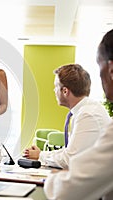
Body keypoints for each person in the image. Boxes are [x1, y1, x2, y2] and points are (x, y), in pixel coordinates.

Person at [44, 29, 113, 200]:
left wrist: (51, 177)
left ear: (111, 69)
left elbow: (65, 191)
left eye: (100, 68)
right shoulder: (83, 111)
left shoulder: (88, 114)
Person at [23, 64, 111, 169]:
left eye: (56, 86)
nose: (54, 91)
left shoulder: (87, 115)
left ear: (65, 91)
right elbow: (70, 151)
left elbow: (70, 159)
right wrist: (42, 154)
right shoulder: (84, 110)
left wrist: (40, 156)